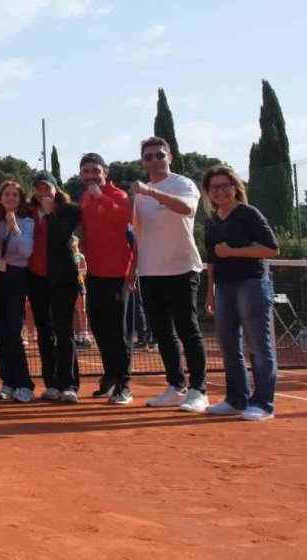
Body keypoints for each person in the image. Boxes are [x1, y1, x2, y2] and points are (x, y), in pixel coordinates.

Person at [133, 137, 209, 413]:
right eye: (149, 157)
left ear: (170, 158)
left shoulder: (183, 184)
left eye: (159, 155)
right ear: (143, 162)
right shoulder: (139, 194)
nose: (154, 160)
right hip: (149, 272)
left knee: (189, 330)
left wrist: (151, 193)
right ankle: (176, 387)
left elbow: (187, 209)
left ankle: (199, 390)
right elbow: (135, 233)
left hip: (182, 268)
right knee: (163, 334)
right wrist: (132, 270)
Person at [201, 166, 279, 421]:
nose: (220, 191)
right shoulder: (211, 221)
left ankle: (263, 404)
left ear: (235, 187)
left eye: (225, 186)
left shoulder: (249, 214)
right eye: (214, 187)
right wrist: (210, 292)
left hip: (252, 284)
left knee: (258, 344)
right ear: (208, 192)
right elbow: (212, 259)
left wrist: (234, 252)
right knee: (227, 344)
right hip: (223, 287)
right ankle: (236, 400)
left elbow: (271, 248)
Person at [78, 153, 135, 405]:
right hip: (94, 273)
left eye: (95, 170)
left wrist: (102, 198)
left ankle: (124, 385)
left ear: (105, 171)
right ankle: (110, 374)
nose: (91, 176)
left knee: (119, 332)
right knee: (99, 328)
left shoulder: (118, 195)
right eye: (86, 171)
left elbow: (125, 218)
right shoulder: (83, 198)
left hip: (118, 275)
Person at [27, 171, 83, 403]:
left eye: (46, 188)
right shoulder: (28, 212)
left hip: (63, 279)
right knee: (45, 332)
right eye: (38, 188)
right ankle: (50, 383)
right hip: (36, 279)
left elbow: (60, 236)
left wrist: (50, 213)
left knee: (64, 330)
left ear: (55, 189)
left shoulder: (69, 210)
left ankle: (69, 384)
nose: (42, 193)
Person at [0, 180, 35, 403]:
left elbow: (26, 252)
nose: (10, 198)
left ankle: (25, 384)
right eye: (6, 194)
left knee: (13, 332)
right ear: (0, 198)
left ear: (21, 199)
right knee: (0, 332)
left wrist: (15, 227)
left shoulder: (27, 222)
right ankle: (7, 383)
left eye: (15, 195)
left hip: (18, 276)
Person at [72, 237, 93, 347]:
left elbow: (84, 272)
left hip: (80, 285)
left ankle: (85, 335)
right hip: (71, 285)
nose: (73, 244)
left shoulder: (81, 257)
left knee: (83, 309)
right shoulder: (68, 256)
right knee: (75, 311)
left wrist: (79, 276)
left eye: (74, 242)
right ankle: (77, 336)